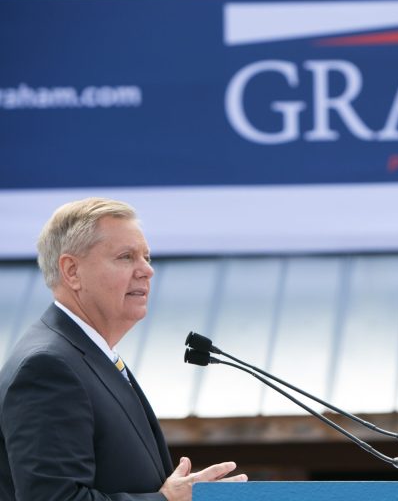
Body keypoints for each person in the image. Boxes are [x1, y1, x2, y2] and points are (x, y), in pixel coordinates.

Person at [0, 198, 247, 500]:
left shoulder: (88, 354)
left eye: (147, 257)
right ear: (72, 271)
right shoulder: (47, 367)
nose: (146, 271)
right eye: (126, 257)